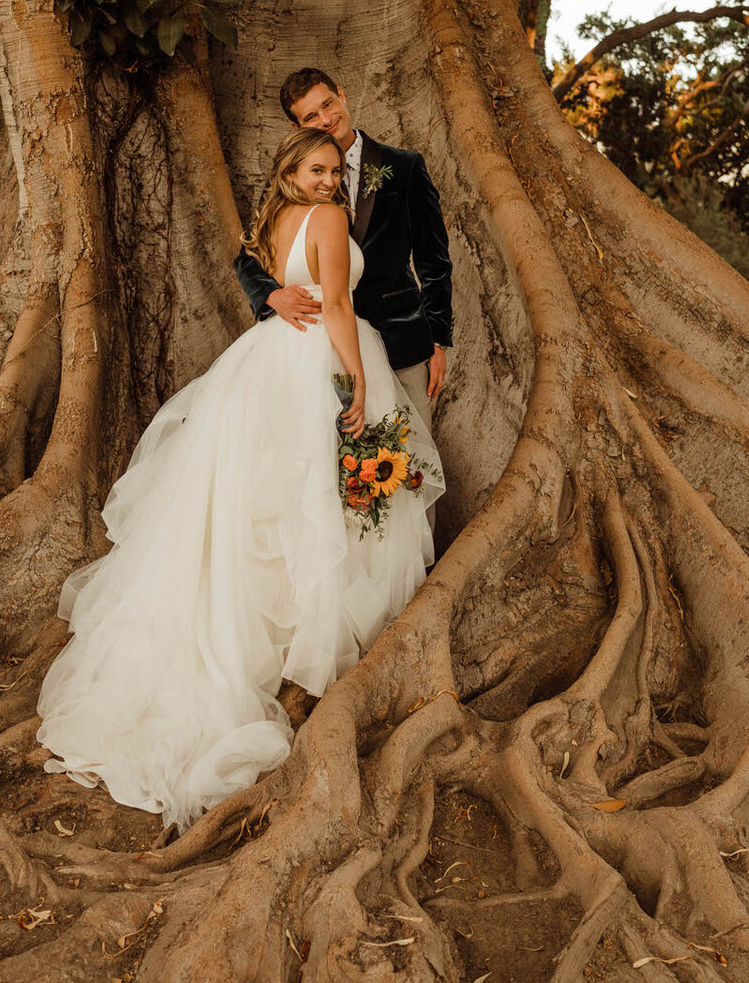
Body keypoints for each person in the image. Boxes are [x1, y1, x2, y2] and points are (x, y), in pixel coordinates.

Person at [36, 128, 444, 832]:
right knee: (317, 497)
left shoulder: (279, 221)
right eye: (312, 169)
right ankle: (302, 651)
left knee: (275, 502)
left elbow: (288, 285)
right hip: (318, 356)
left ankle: (281, 648)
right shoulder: (326, 218)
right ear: (289, 170)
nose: (325, 179)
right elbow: (340, 306)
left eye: (330, 170)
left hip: (267, 362)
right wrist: (353, 383)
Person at [235, 68, 453, 431]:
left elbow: (434, 261)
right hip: (321, 348)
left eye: (328, 104)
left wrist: (438, 338)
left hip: (401, 337)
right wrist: (271, 296)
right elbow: (249, 254)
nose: (325, 119)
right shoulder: (291, 180)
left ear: (342, 95)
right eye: (310, 117)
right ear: (297, 128)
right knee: (337, 456)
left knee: (408, 457)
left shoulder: (403, 167)